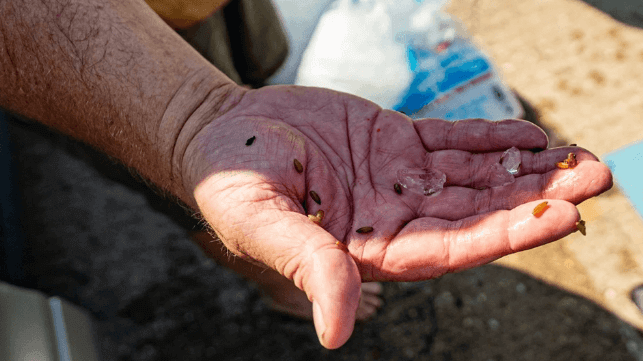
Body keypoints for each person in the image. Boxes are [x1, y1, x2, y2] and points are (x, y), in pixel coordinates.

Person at [0, 0, 612, 350]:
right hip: (80, 40)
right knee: (184, 170)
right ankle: (264, 274)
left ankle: (249, 98)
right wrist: (189, 120)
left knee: (253, 65)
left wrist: (211, 105)